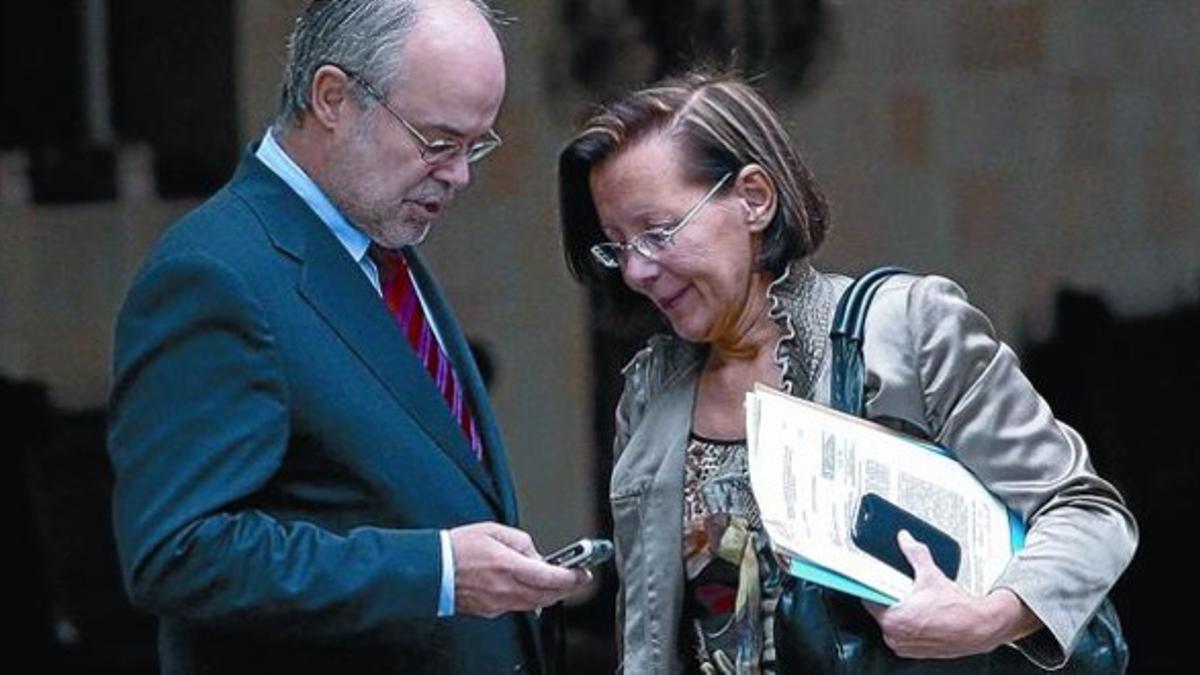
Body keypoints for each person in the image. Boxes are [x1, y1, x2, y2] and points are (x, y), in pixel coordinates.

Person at [557, 71, 1138, 673]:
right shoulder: (651, 392)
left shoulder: (906, 330)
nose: (634, 272)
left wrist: (986, 618)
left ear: (755, 198)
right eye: (616, 246)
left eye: (657, 233)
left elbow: (1087, 514)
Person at [107, 1, 589, 672]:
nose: (460, 174)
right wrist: (438, 570)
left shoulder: (376, 235)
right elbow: (179, 554)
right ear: (332, 97)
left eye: (475, 145)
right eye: (437, 141)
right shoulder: (215, 272)